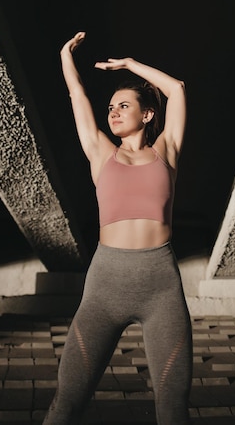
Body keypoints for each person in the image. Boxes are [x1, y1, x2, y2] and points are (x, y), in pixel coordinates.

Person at [43, 31, 193, 425]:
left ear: (146, 115)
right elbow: (78, 96)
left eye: (123, 105)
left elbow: (175, 89)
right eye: (111, 106)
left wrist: (129, 65)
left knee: (173, 405)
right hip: (105, 285)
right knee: (67, 400)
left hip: (160, 286)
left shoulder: (166, 151)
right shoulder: (100, 152)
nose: (112, 111)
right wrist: (65, 57)